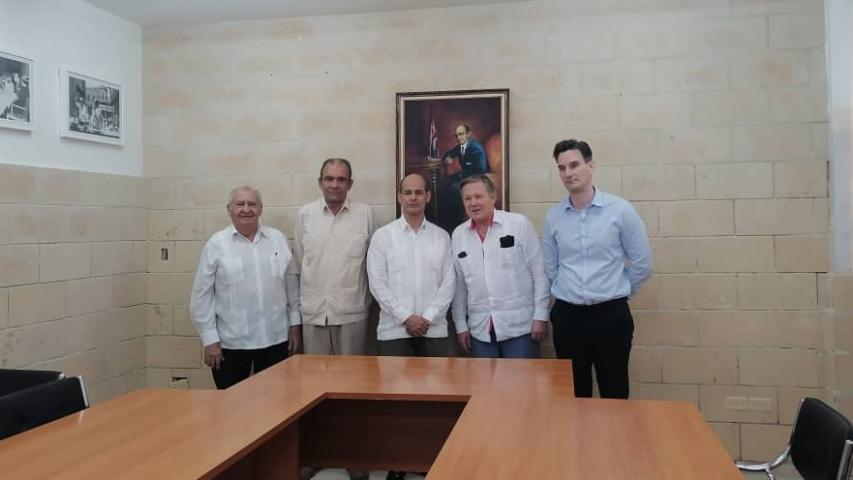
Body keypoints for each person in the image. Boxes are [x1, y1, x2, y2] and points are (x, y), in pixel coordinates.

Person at [542, 139, 652, 399]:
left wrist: (619, 289)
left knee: (614, 393)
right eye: (561, 168)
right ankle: (576, 442)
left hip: (610, 316)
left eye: (574, 165)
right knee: (574, 395)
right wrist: (569, 289)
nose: (568, 173)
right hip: (568, 317)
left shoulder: (620, 210)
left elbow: (642, 264)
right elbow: (550, 266)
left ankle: (614, 442)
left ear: (590, 166)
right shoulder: (554, 217)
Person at [189, 186, 301, 390]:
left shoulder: (278, 239)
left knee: (277, 404)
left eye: (252, 204)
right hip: (231, 343)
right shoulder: (216, 244)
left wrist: (295, 326)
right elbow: (201, 296)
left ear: (260, 209)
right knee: (232, 409)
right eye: (240, 204)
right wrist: (209, 339)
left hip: (275, 339)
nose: (246, 209)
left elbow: (291, 285)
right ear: (229, 209)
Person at [451, 174, 549, 358]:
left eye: (478, 196)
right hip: (480, 332)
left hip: (521, 330)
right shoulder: (458, 235)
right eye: (468, 198)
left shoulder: (518, 224)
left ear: (493, 197)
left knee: (522, 386)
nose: (473, 203)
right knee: (485, 387)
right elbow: (459, 286)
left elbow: (539, 273)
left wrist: (541, 316)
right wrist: (460, 325)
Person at [291, 158, 375, 355]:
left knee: (351, 380)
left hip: (352, 314)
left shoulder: (365, 214)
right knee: (316, 380)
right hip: (314, 313)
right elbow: (300, 263)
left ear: (350, 184)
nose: (334, 185)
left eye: (341, 179)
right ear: (320, 182)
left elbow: (371, 265)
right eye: (329, 179)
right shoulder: (305, 215)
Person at [367, 173, 455, 358]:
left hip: (434, 331)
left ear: (428, 196)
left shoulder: (442, 237)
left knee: (436, 387)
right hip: (394, 332)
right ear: (400, 197)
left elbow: (449, 283)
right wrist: (405, 317)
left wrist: (428, 317)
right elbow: (377, 284)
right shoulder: (382, 237)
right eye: (407, 192)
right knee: (394, 388)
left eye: (418, 192)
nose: (413, 197)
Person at [441, 124, 490, 229]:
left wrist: (462, 177)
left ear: (468, 134)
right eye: (457, 135)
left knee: (454, 188)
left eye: (461, 134)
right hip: (466, 175)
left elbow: (480, 170)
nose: (459, 137)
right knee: (444, 182)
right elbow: (449, 153)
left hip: (477, 177)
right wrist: (448, 157)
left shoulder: (476, 148)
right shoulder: (460, 147)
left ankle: (456, 221)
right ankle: (447, 220)